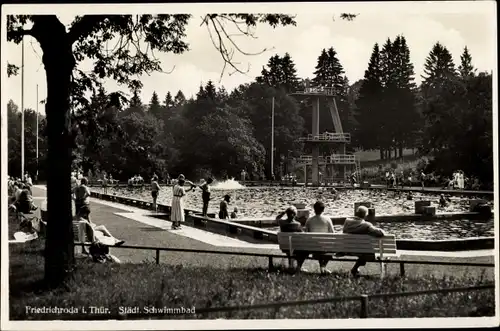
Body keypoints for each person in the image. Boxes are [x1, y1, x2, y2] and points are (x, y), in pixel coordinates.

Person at [342, 206, 385, 277]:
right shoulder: (366, 225)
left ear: (356, 213)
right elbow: (380, 233)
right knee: (367, 253)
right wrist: (382, 230)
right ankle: (354, 269)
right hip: (362, 250)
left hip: (348, 249)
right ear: (365, 216)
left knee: (364, 251)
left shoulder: (347, 222)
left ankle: (354, 270)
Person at [304, 201, 335, 274]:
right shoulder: (327, 219)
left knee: (317, 243)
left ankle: (322, 267)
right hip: (325, 247)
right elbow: (332, 233)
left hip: (312, 247)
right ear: (323, 210)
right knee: (328, 247)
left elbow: (306, 233)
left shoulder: (309, 220)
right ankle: (323, 266)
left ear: (314, 209)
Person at [276, 206, 308, 271]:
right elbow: (302, 235)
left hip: (285, 247)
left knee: (290, 249)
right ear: (295, 214)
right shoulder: (297, 224)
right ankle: (299, 267)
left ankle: (291, 266)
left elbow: (277, 218)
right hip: (296, 246)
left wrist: (283, 213)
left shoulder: (282, 223)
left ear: (287, 214)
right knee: (305, 251)